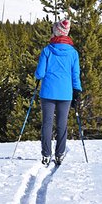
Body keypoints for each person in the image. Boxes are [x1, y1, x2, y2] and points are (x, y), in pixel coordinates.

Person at [34, 18, 82, 166]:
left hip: (48, 92)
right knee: (62, 124)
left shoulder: (47, 50)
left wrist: (38, 76)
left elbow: (40, 73)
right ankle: (60, 154)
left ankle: (46, 154)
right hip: (65, 93)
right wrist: (77, 91)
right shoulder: (73, 53)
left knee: (47, 124)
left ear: (56, 32)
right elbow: (75, 75)